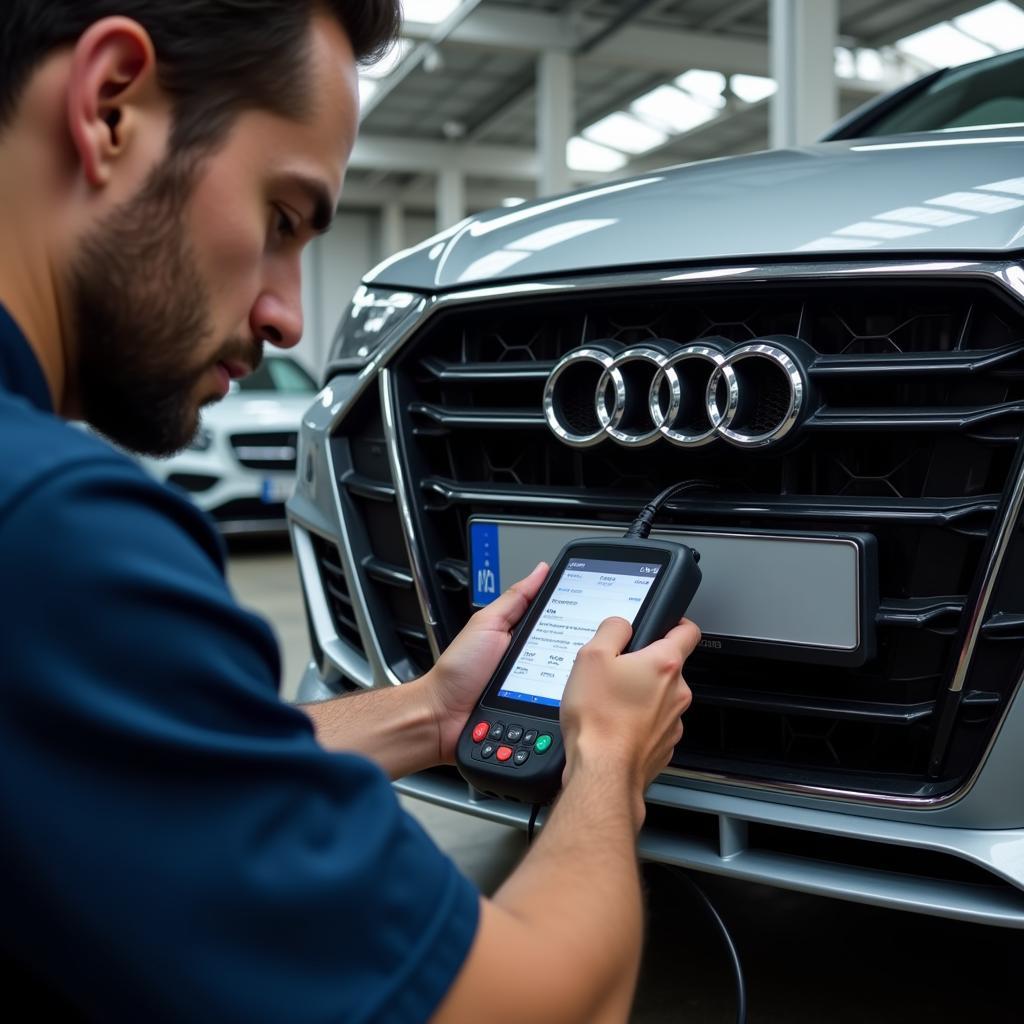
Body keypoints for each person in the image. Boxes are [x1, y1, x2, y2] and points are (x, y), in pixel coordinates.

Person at [0, 2, 701, 1021]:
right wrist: (604, 766)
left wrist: (431, 711)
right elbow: (542, 1004)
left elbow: (142, 760)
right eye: (283, 219)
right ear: (111, 106)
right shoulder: (54, 534)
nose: (287, 308)